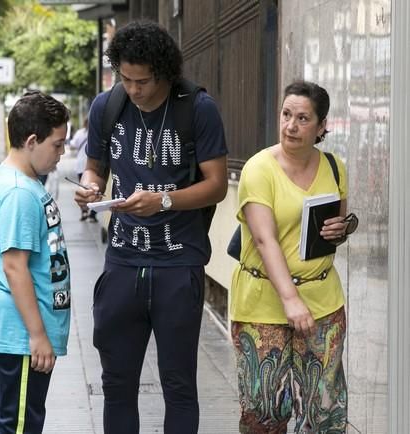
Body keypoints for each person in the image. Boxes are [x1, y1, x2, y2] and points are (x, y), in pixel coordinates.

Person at [74, 21, 228, 433]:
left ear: (163, 72)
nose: (134, 89)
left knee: (178, 385)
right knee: (117, 384)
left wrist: (163, 200)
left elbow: (216, 186)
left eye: (142, 81)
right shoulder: (108, 106)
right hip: (122, 263)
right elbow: (95, 169)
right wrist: (90, 187)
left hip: (179, 266)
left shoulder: (197, 108)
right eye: (125, 78)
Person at [230, 81, 355, 432]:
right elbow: (264, 238)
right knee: (265, 411)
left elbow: (334, 229)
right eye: (286, 115)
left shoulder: (334, 167)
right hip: (263, 302)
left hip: (323, 300)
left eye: (303, 118)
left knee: (324, 410)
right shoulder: (259, 169)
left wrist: (339, 230)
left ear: (321, 126)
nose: (291, 126)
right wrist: (290, 299)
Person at [0, 91, 71, 434]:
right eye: (57, 145)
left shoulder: (26, 183)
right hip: (23, 334)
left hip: (29, 332)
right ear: (32, 140)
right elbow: (14, 266)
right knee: (18, 425)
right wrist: (37, 335)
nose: (61, 154)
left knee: (25, 420)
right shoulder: (19, 191)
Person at [70, 117, 96, 221]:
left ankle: (84, 212)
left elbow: (73, 145)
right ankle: (93, 214)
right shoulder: (97, 134)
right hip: (95, 167)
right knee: (95, 191)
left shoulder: (80, 133)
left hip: (81, 166)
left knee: (84, 191)